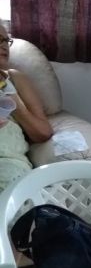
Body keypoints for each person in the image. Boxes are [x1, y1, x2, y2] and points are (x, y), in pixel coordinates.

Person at [0, 25, 53, 191]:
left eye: (6, 40)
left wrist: (10, 95)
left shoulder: (15, 78)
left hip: (7, 164)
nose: (4, 45)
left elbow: (42, 133)